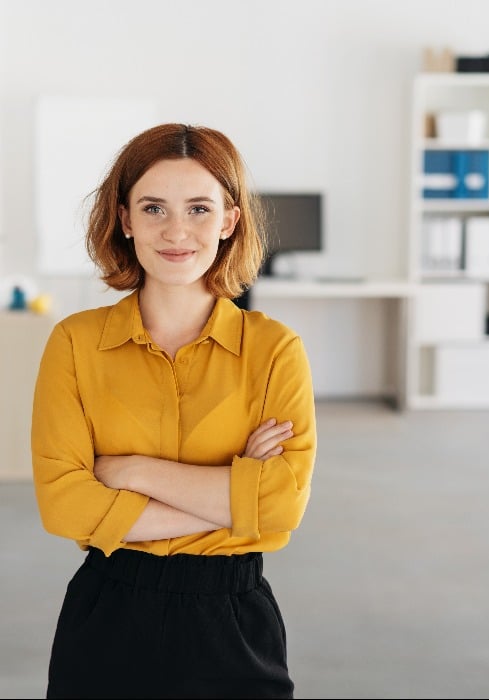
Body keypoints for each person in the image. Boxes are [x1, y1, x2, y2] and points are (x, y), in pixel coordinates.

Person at [31, 123, 317, 699]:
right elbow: (65, 505)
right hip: (108, 613)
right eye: (155, 207)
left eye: (199, 208)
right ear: (125, 219)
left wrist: (131, 472)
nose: (177, 231)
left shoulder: (274, 349)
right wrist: (238, 500)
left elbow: (283, 504)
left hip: (232, 621)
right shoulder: (74, 343)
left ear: (230, 221)